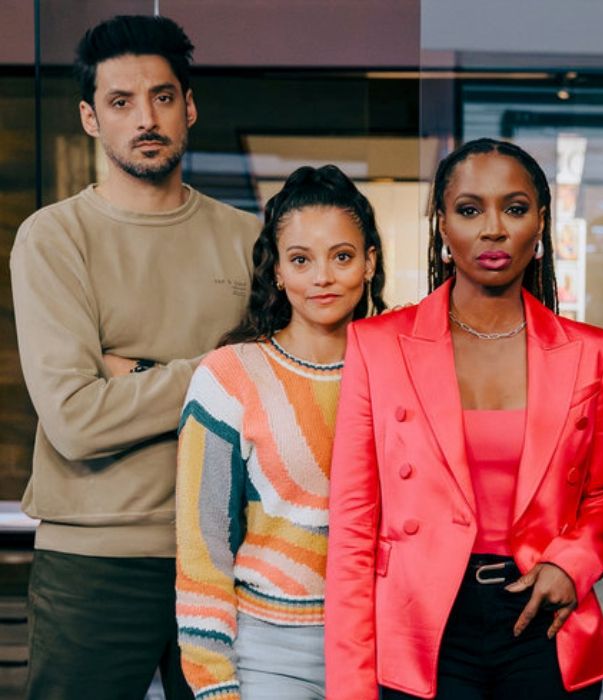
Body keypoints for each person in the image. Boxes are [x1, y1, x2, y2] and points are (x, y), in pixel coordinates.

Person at [325, 138, 603, 699]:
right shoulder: (377, 346)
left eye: (514, 209)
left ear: (540, 224)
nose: (493, 228)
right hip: (423, 625)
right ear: (442, 226)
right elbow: (352, 530)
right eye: (470, 210)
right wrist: (350, 688)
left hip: (545, 617)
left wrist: (572, 564)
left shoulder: (593, 351)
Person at [9, 15, 259, 699]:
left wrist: (134, 373)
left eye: (163, 97)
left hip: (227, 556)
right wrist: (218, 371)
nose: (145, 118)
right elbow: (75, 420)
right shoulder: (53, 238)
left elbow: (278, 387)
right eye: (121, 102)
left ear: (189, 106)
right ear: (91, 118)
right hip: (94, 562)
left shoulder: (251, 239)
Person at [175, 165, 386, 698]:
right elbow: (203, 548)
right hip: (271, 651)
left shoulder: (397, 369)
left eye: (342, 256)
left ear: (369, 264)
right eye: (300, 260)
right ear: (276, 271)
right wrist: (213, 681)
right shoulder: (230, 376)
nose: (323, 277)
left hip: (383, 643)